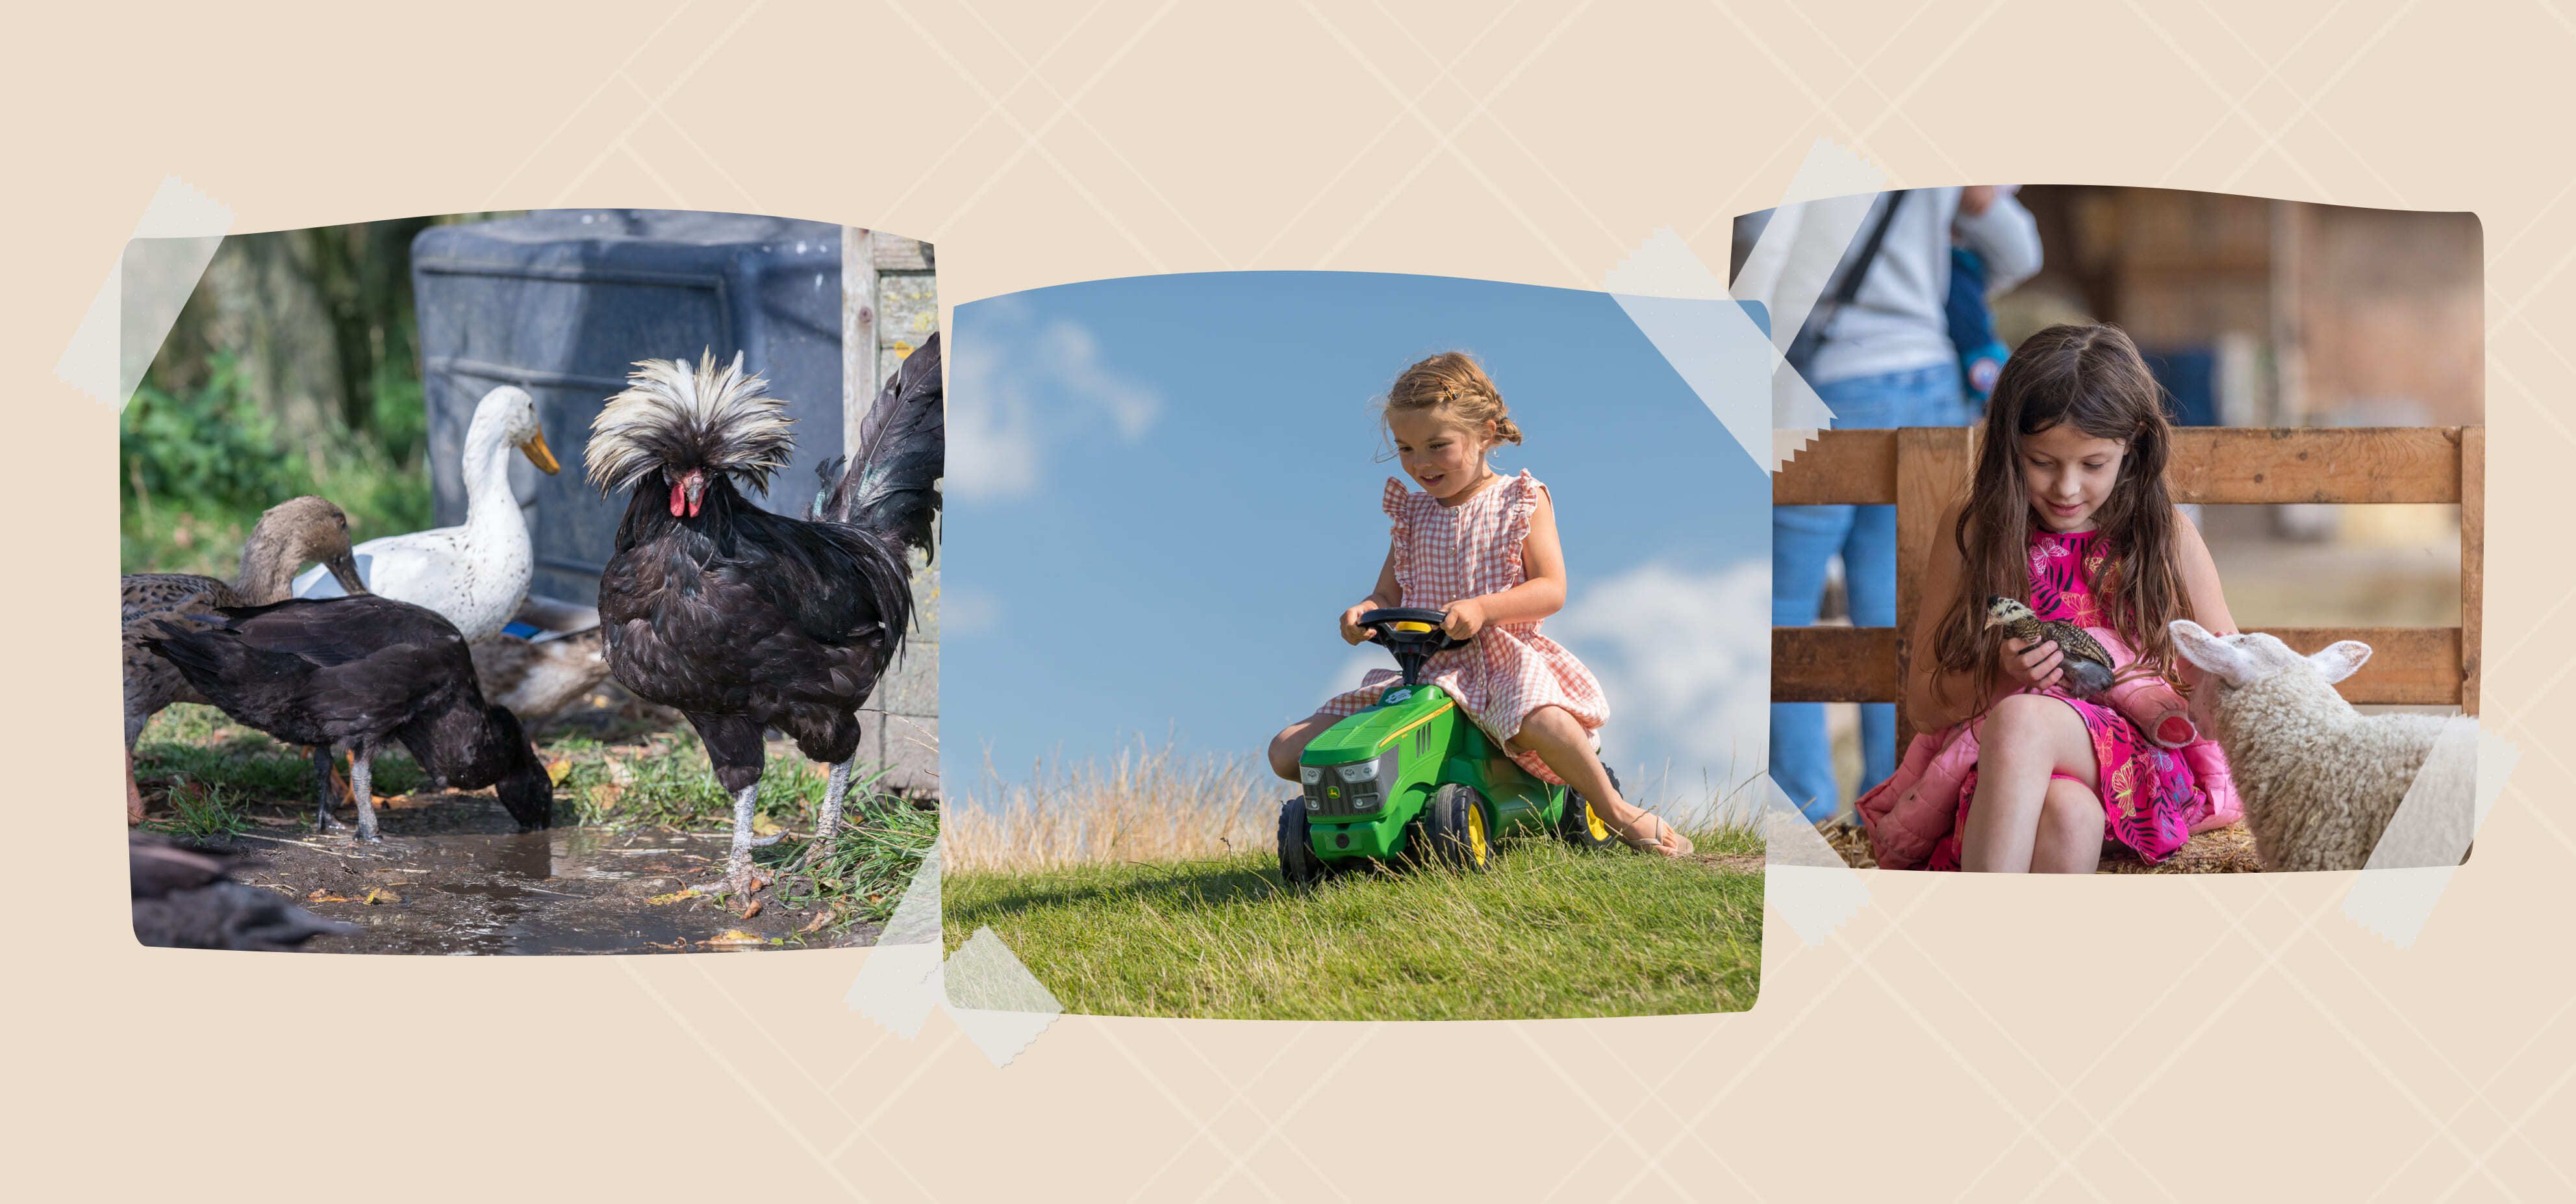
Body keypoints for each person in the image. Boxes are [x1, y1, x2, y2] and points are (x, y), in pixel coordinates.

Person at [1265, 351, 1690, 856]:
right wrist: (1363, 612)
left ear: (1486, 434)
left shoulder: (1518, 500)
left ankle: (1616, 811)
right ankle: (1373, 820)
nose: (1420, 463)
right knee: (1289, 750)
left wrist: (1484, 609)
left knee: (1547, 722)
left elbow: (1551, 588)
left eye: (1437, 446)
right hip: (1422, 671)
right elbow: (1387, 594)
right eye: (1405, 449)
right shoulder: (1413, 516)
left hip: (1498, 664)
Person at [1863, 323, 2238, 872]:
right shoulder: (1975, 532)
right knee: (2067, 813)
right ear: (2008, 446)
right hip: (2010, 781)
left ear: (2131, 446)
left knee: (2020, 722)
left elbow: (2231, 672)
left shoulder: (2168, 536)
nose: (2066, 488)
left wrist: (2201, 687)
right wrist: (2000, 677)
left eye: (2092, 465)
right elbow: (1924, 706)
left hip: (2141, 772)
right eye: (2041, 462)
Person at [1747, 185, 2044, 822]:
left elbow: (1761, 242)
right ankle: (1892, 803)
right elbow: (2020, 252)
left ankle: (1803, 805)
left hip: (1827, 375)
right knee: (1904, 600)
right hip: (1931, 380)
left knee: (1783, 599)